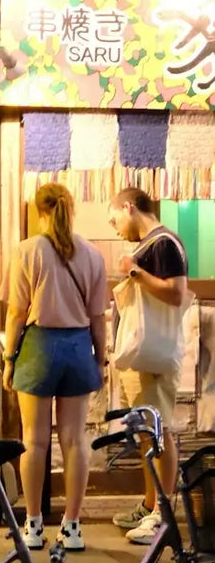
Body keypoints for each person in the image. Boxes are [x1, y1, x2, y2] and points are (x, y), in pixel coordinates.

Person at [2, 182, 108, 552]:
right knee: (76, 440)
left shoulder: (27, 251)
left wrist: (8, 359)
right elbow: (98, 316)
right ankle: (73, 526)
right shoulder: (93, 255)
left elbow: (16, 312)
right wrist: (101, 359)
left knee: (34, 440)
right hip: (79, 346)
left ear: (39, 211)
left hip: (39, 347)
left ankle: (32, 525)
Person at [107, 186, 189, 545]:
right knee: (146, 432)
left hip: (155, 354)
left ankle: (162, 513)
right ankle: (150, 503)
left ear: (129, 207)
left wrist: (135, 272)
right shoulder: (148, 246)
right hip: (143, 355)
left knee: (160, 431)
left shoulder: (164, 243)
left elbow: (176, 293)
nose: (115, 228)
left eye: (115, 219)